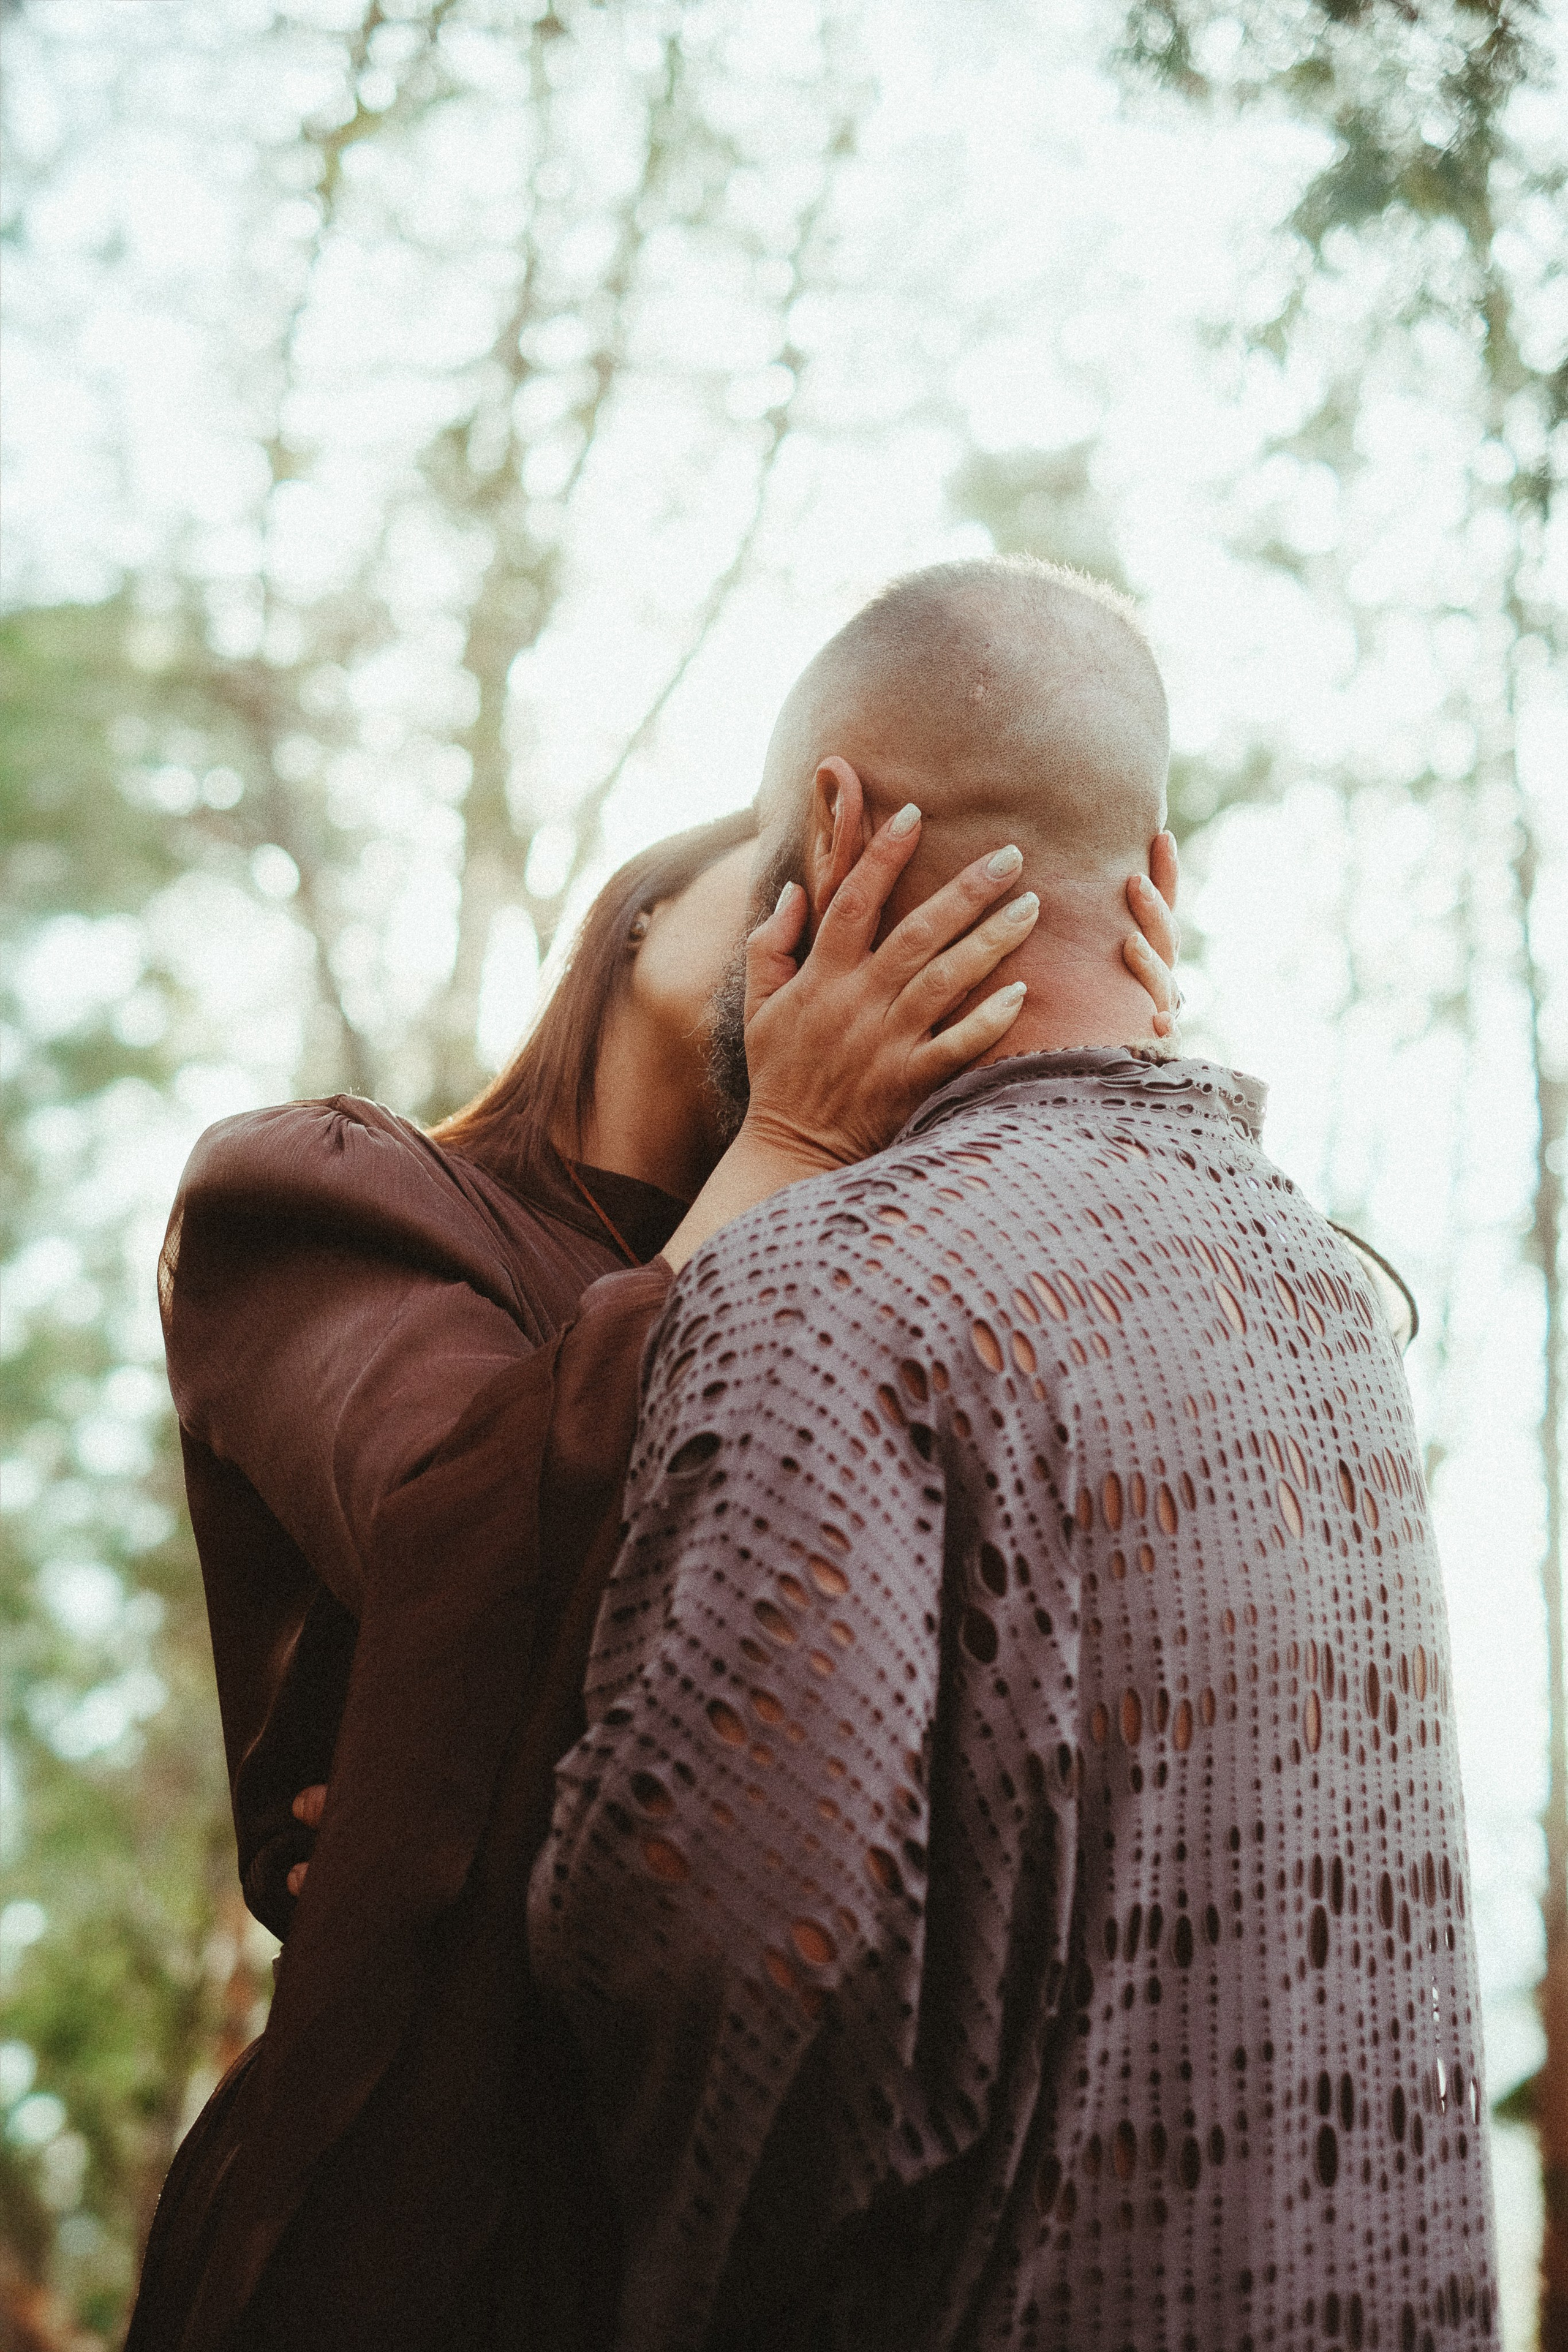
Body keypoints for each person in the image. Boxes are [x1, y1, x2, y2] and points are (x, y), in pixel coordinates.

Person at [529, 556, 1498, 2351]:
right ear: (1157, 887)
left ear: (827, 851)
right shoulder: (1329, 1304)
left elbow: (720, 1935)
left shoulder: (821, 1284)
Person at [130, 778, 1181, 2350]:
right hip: (420, 2204)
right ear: (631, 921)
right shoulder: (322, 1191)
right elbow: (450, 1519)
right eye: (798, 868)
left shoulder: (885, 1316)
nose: (845, 926)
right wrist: (793, 1142)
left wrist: (1096, 1101)